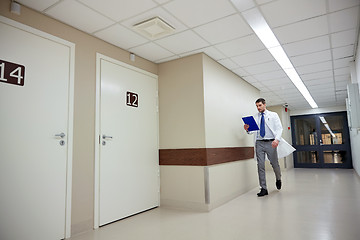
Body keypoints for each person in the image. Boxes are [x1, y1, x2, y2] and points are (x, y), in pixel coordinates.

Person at [244, 98, 283, 197]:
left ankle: (278, 178)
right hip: (259, 143)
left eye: (260, 105)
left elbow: (279, 128)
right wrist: (247, 129)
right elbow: (251, 131)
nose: (258, 107)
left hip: (271, 142)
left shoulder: (273, 115)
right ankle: (263, 188)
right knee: (260, 165)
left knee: (274, 164)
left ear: (265, 104)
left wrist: (277, 140)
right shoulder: (255, 117)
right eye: (257, 106)